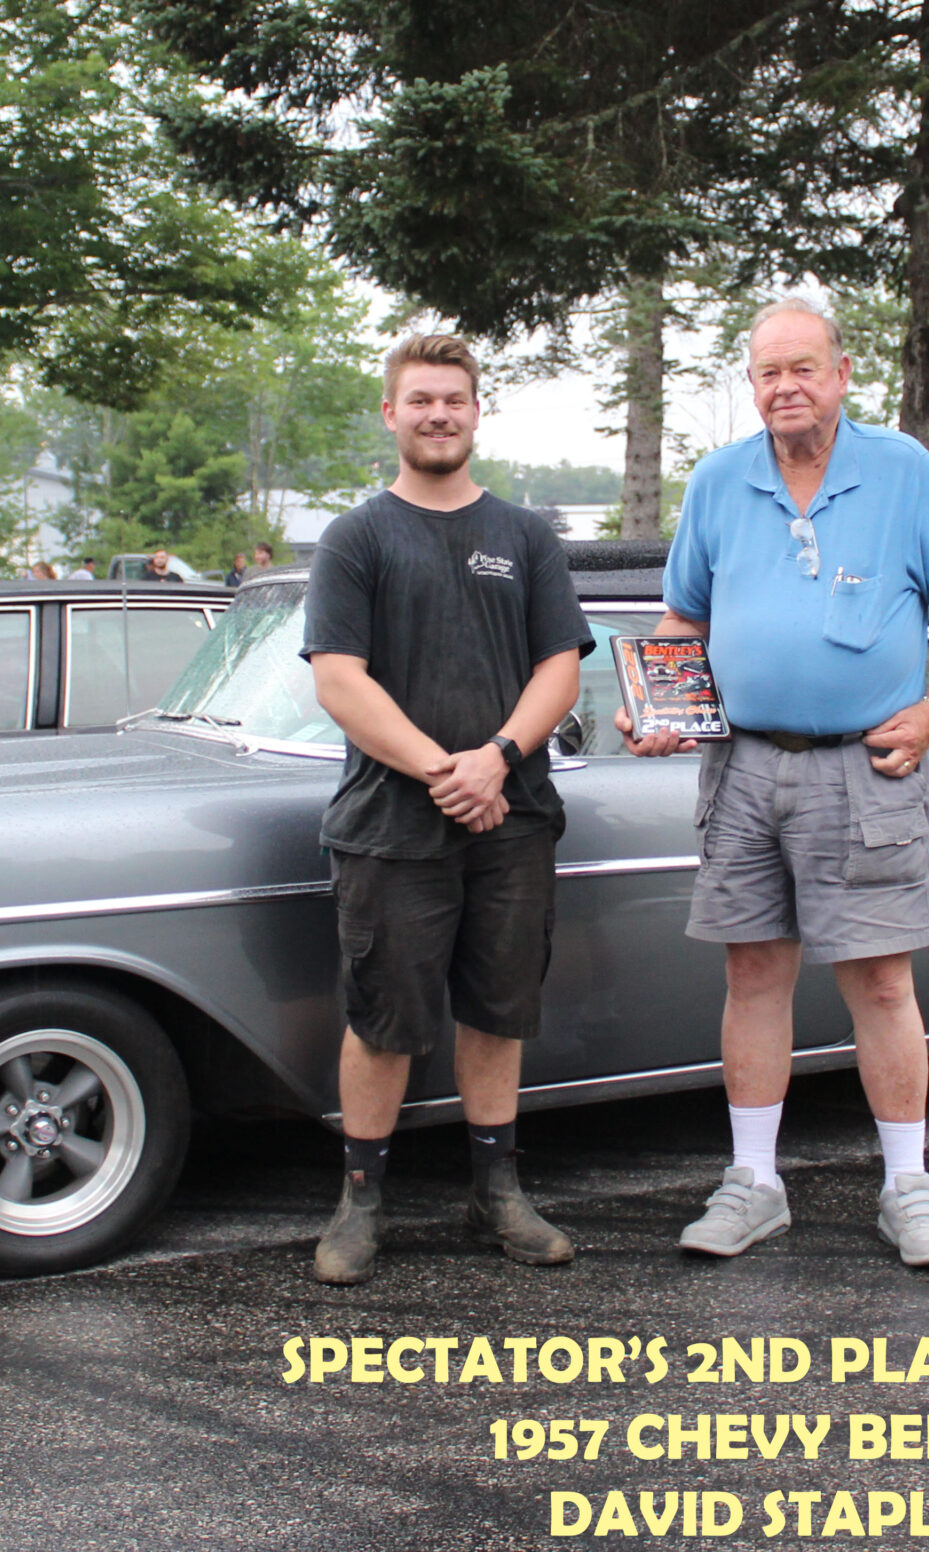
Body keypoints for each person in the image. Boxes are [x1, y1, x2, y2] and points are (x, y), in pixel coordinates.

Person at [618, 297, 929, 1268]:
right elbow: (684, 619)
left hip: (863, 768)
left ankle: (909, 1189)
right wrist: (658, 707)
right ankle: (753, 1183)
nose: (784, 387)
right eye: (766, 372)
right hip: (741, 766)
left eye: (801, 368)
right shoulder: (719, 480)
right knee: (752, 974)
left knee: (880, 980)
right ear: (751, 385)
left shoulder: (900, 471)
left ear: (840, 374)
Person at [301, 332, 592, 1286]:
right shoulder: (356, 539)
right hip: (391, 828)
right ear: (391, 413)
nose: (438, 415)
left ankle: (495, 1194)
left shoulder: (525, 536)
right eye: (420, 400)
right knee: (383, 1017)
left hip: (515, 818)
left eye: (453, 400)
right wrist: (446, 772)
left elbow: (559, 670)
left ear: (476, 412)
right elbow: (339, 681)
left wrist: (498, 760)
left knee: (499, 1012)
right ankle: (360, 1202)